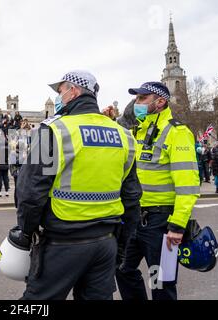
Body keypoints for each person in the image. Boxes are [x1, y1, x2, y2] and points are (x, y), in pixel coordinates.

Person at [14, 70, 140, 300]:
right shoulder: (123, 135)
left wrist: (26, 232)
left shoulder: (53, 130)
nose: (59, 97)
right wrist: (121, 245)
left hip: (63, 242)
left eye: (61, 91)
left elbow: (30, 192)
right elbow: (132, 197)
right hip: (105, 243)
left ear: (73, 91)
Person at [117, 82, 200, 301]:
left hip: (161, 223)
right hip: (134, 219)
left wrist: (177, 226)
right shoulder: (137, 130)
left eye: (142, 98)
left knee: (161, 283)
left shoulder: (177, 132)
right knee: (123, 269)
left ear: (160, 102)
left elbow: (188, 185)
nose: (137, 103)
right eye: (136, 99)